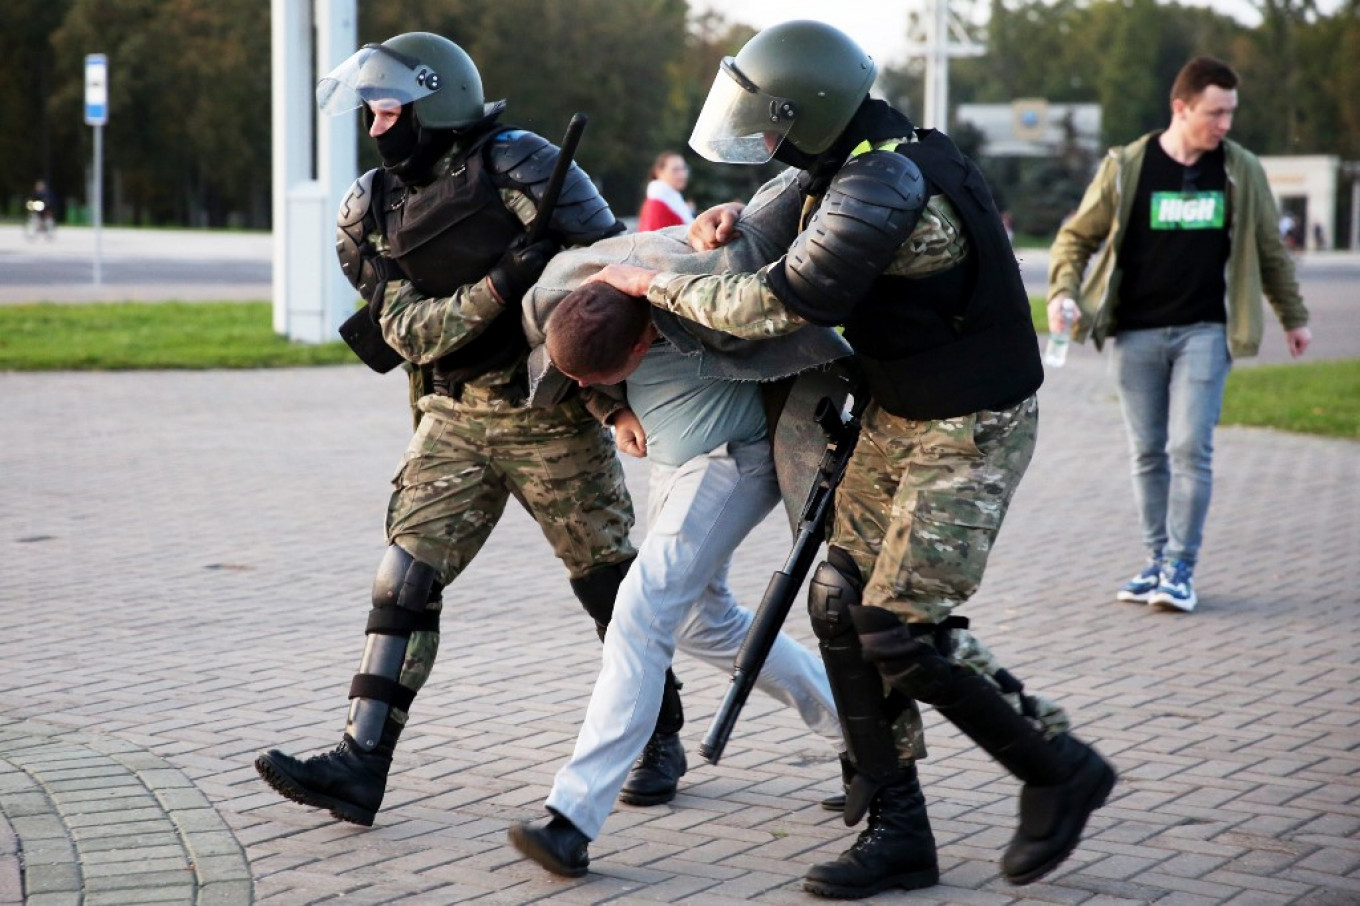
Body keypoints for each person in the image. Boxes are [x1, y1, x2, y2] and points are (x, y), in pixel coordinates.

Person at [587, 20, 1115, 898]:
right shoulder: (850, 154)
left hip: (971, 420)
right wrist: (728, 218)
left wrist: (658, 283)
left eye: (771, 122)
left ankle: (1059, 765)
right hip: (899, 408)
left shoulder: (889, 178)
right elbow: (788, 205)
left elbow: (784, 299)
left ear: (810, 110)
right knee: (840, 604)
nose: (764, 142)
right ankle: (896, 827)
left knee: (904, 631)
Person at [253, 31, 689, 828]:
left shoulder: (523, 165)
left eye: (390, 108)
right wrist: (500, 283)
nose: (377, 124)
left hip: (546, 410)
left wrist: (612, 398)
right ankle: (360, 763)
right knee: (404, 579)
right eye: (370, 109)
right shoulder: (367, 208)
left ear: (436, 100)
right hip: (452, 417)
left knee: (608, 585)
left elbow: (604, 280)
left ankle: (658, 734)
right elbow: (412, 332)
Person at [509, 280, 848, 877]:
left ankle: (572, 820)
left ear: (640, 347)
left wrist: (725, 214)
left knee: (638, 618)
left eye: (599, 377)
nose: (583, 385)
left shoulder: (696, 297)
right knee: (701, 623)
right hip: (672, 462)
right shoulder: (594, 285)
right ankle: (864, 741)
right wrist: (612, 406)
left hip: (727, 463)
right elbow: (578, 363)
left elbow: (768, 258)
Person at [1048, 56, 1311, 614]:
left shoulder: (1240, 170)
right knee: (1147, 452)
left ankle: (1181, 570)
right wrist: (1062, 293)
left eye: (1231, 113)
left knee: (1191, 447)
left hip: (1204, 331)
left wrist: (1293, 317)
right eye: (1215, 112)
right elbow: (1076, 238)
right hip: (1137, 334)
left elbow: (1269, 249)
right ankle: (1156, 561)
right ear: (1181, 107)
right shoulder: (1127, 166)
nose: (1225, 124)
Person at [636, 150, 694, 231]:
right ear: (659, 173)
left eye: (684, 168)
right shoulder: (656, 205)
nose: (682, 174)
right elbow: (656, 241)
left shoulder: (670, 198)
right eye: (675, 170)